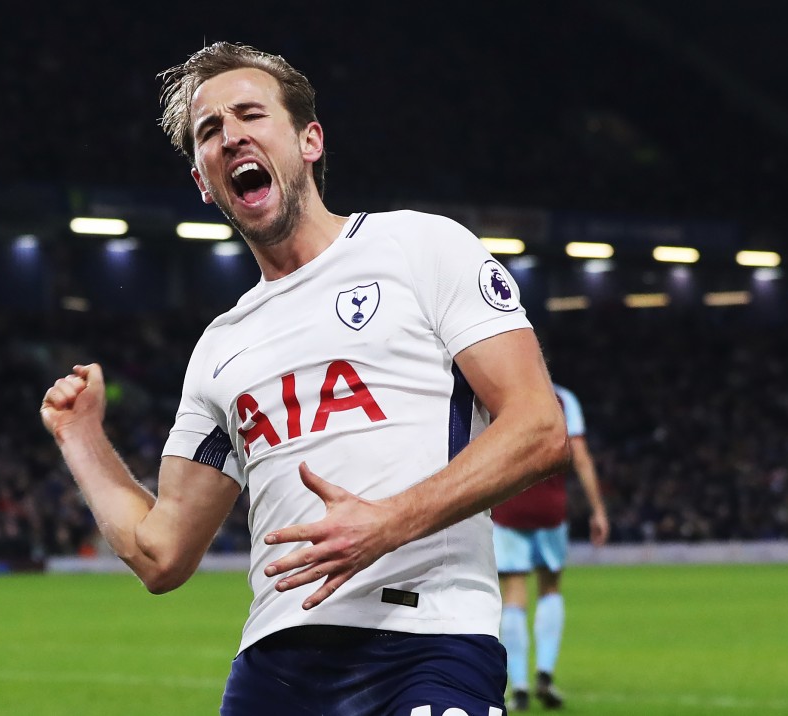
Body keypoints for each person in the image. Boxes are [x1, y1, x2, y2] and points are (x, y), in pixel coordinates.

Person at [40, 41, 569, 716]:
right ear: (203, 182)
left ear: (309, 140)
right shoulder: (220, 349)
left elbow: (539, 427)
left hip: (425, 640)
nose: (231, 137)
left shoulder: (421, 248)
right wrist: (79, 436)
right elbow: (161, 552)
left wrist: (388, 523)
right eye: (210, 131)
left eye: (250, 115)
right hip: (275, 669)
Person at [491, 383, 609, 711]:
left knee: (514, 594)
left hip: (509, 506)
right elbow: (580, 457)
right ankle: (545, 672)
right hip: (550, 508)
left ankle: (519, 687)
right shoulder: (563, 398)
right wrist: (597, 509)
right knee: (551, 588)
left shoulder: (499, 393)